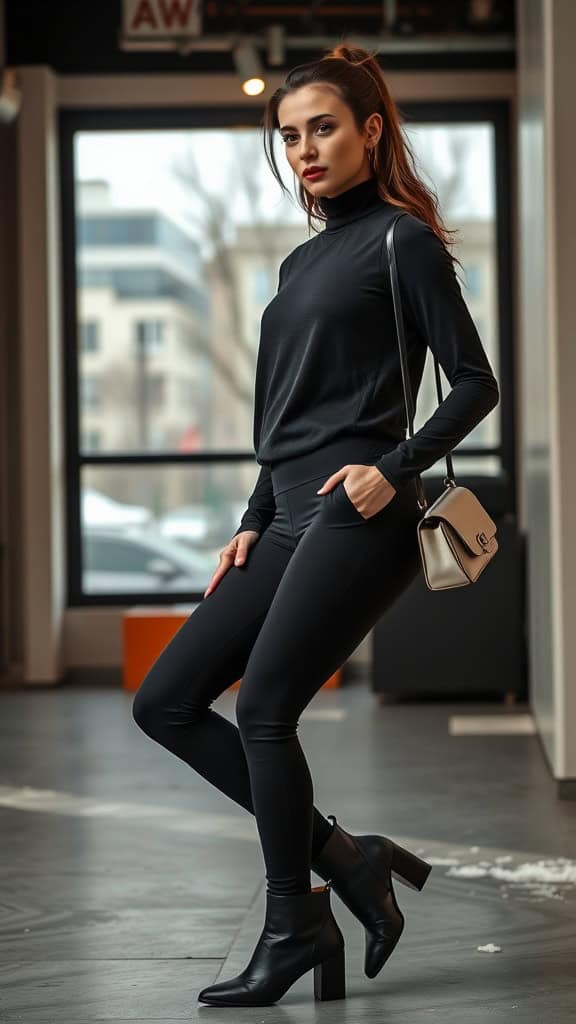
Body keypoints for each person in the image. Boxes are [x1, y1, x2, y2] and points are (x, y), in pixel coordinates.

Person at [132, 43, 500, 1008]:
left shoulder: (400, 241)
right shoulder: (298, 262)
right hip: (285, 514)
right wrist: (251, 519)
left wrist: (392, 469)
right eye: (289, 135)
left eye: (323, 128)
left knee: (262, 711)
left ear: (372, 131)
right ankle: (352, 860)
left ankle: (295, 920)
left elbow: (475, 382)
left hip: (358, 514)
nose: (304, 149)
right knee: (164, 702)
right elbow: (283, 420)